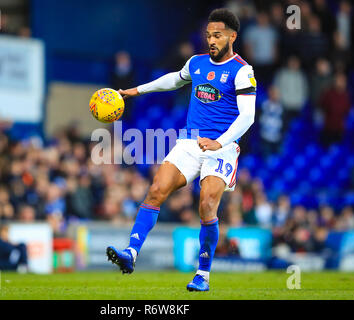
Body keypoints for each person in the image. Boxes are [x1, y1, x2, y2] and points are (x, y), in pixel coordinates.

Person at [107, 9, 256, 292]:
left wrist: (220, 142)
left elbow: (247, 117)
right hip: (189, 142)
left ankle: (202, 274)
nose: (211, 40)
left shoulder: (243, 71)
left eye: (218, 35)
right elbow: (174, 79)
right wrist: (135, 91)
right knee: (156, 189)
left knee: (207, 203)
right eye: (209, 35)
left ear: (232, 37)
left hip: (221, 150)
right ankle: (131, 253)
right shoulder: (197, 63)